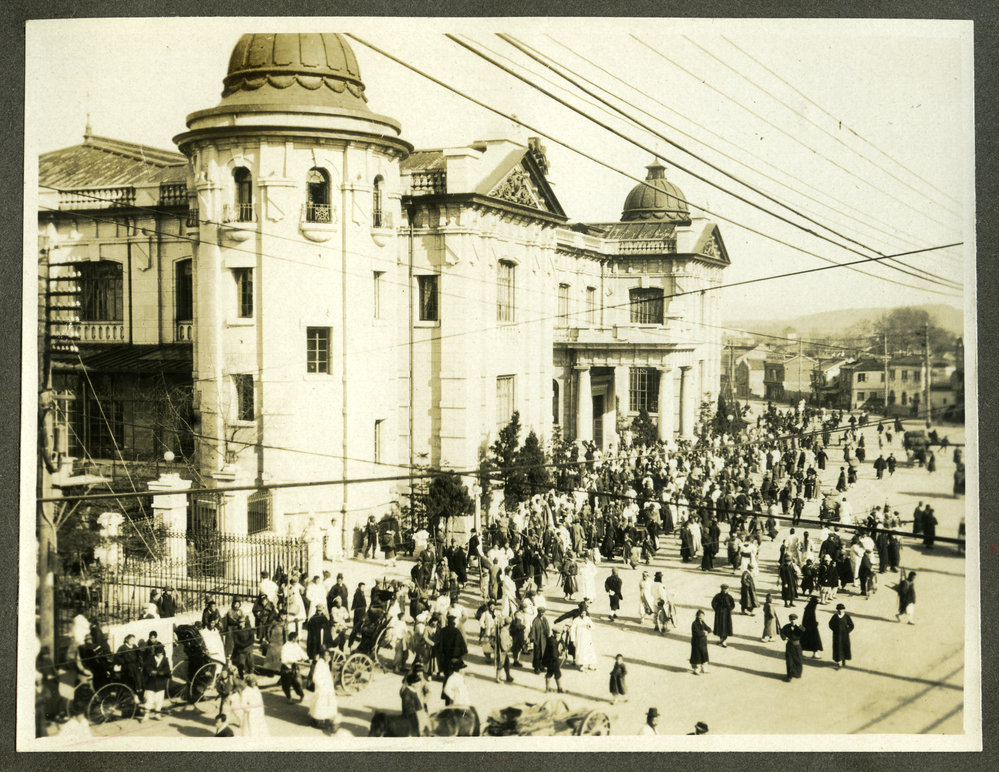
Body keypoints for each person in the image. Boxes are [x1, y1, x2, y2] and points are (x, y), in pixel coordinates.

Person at [306, 650, 338, 733]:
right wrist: (322, 686)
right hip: (322, 688)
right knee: (320, 704)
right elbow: (315, 677)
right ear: (322, 656)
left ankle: (322, 718)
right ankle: (317, 720)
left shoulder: (325, 663)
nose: (327, 657)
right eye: (325, 655)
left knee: (326, 704)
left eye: (328, 655)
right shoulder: (320, 664)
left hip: (326, 688)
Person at [141, 635, 170, 721]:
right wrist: (150, 672)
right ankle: (146, 715)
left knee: (159, 699)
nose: (159, 654)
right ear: (155, 652)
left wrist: (162, 673)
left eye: (161, 652)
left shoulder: (164, 659)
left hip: (160, 682)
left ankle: (157, 714)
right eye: (158, 653)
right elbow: (147, 667)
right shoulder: (150, 658)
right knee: (149, 699)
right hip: (151, 682)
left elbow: (167, 670)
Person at [400, 671, 431, 736]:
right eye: (418, 682)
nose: (419, 684)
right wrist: (419, 715)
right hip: (411, 720)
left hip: (417, 718)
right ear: (413, 684)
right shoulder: (407, 693)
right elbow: (408, 709)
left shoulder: (413, 691)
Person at [279, 632, 307, 702]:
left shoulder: (296, 645)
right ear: (293, 638)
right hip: (286, 667)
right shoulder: (285, 647)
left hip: (295, 667)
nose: (297, 639)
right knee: (286, 684)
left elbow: (302, 654)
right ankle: (289, 698)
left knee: (297, 683)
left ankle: (301, 695)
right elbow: (283, 659)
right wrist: (292, 661)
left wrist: (306, 658)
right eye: (296, 638)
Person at [828, 604, 855, 669]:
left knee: (844, 647)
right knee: (837, 648)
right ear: (837, 610)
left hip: (845, 636)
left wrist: (847, 631)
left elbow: (851, 625)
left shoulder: (846, 616)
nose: (840, 611)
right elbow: (830, 624)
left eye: (842, 609)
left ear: (844, 610)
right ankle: (838, 662)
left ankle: (843, 659)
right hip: (836, 635)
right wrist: (835, 630)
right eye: (839, 609)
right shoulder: (835, 616)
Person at [780, 614, 804, 682]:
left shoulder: (800, 626)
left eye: (794, 620)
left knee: (798, 660)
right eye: (791, 620)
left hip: (797, 646)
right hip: (789, 645)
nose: (792, 621)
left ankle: (797, 674)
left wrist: (798, 626)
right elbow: (782, 632)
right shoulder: (787, 626)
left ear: (797, 619)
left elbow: (803, 632)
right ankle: (789, 676)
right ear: (789, 620)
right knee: (789, 661)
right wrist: (784, 637)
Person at [690, 610, 711, 675]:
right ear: (697, 616)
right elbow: (696, 633)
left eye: (702, 616)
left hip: (703, 643)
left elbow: (709, 629)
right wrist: (704, 633)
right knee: (697, 656)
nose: (701, 617)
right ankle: (697, 669)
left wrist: (707, 631)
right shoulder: (694, 623)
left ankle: (704, 668)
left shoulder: (702, 622)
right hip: (696, 643)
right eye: (700, 616)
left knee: (704, 655)